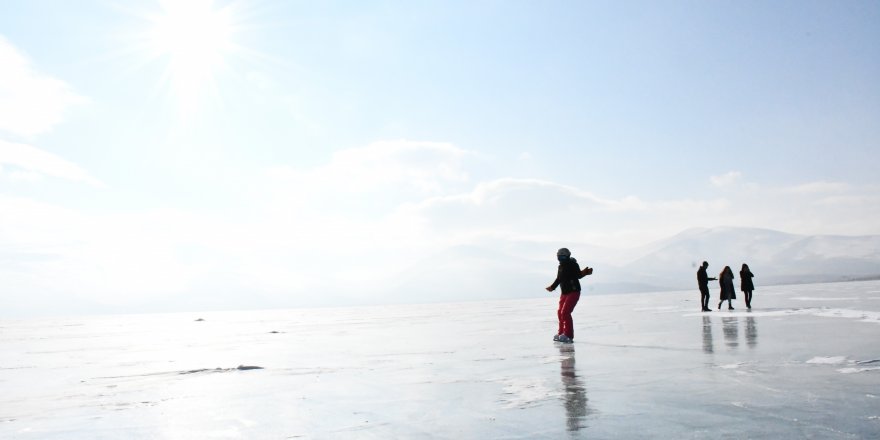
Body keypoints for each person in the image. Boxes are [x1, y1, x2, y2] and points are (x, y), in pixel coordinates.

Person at [546, 248, 592, 343]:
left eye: (563, 257)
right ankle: (561, 333)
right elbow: (559, 279)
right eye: (559, 257)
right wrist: (552, 287)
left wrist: (585, 272)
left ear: (567, 256)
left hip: (573, 291)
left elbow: (578, 275)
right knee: (560, 312)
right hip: (564, 293)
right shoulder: (560, 267)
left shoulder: (572, 264)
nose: (561, 259)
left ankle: (568, 335)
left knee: (565, 312)